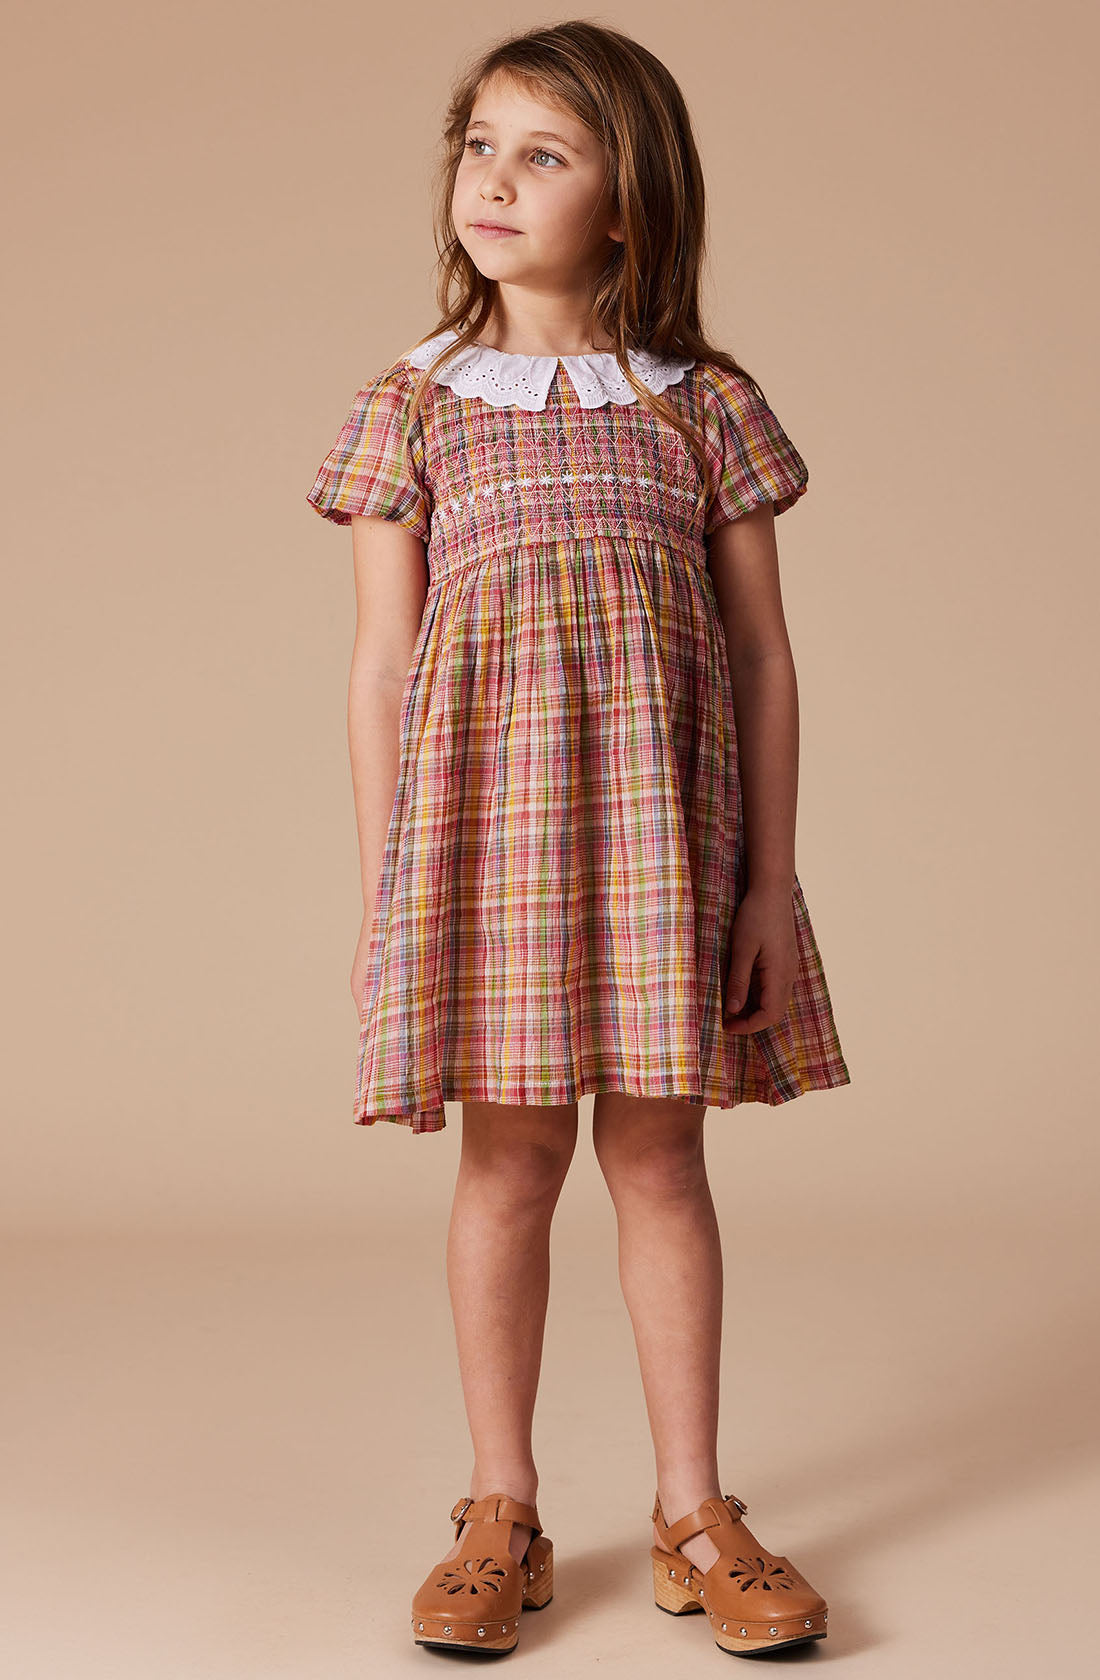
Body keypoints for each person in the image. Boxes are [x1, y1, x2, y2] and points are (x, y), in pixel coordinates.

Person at [305, 18, 850, 1661]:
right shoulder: (416, 402)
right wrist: (387, 883)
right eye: (480, 144)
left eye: (544, 152)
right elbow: (384, 657)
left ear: (628, 200)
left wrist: (768, 878)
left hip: (665, 851)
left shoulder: (703, 402)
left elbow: (760, 653)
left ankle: (692, 1506)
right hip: (491, 859)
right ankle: (500, 1504)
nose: (495, 177)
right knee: (510, 1165)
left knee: (663, 1163)